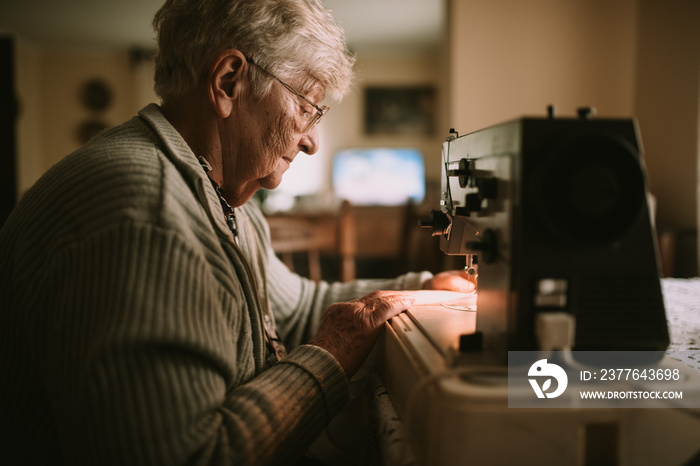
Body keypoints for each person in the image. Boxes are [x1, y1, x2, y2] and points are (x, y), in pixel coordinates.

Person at [0, 0, 472, 464]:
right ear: (228, 81)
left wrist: (426, 289)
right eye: (308, 107)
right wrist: (331, 354)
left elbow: (299, 308)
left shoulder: (222, 195)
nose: (311, 141)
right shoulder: (150, 217)